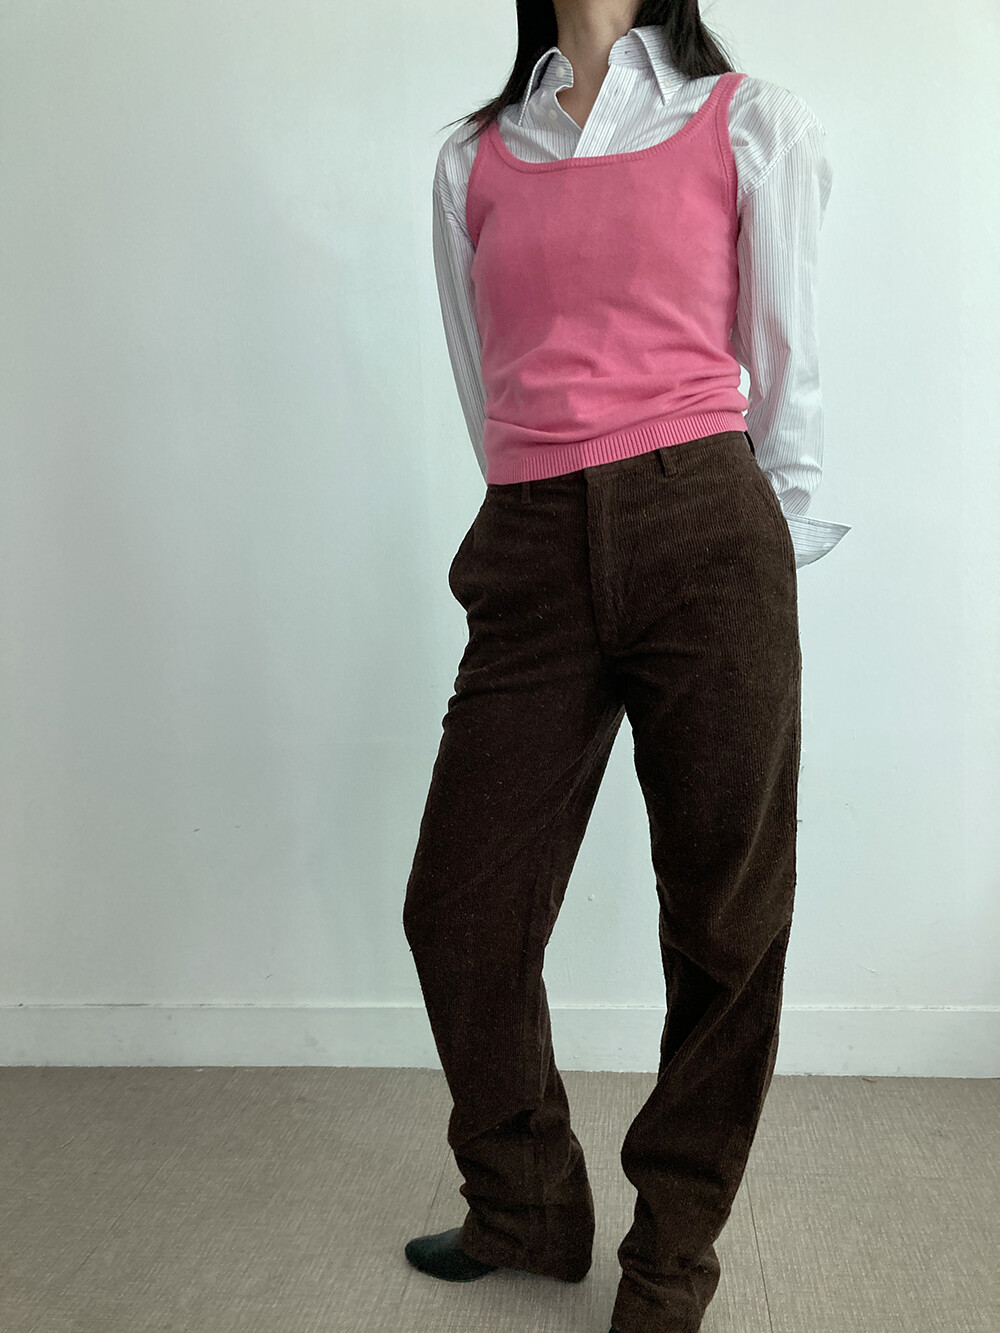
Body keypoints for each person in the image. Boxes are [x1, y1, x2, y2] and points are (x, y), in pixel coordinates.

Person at [402, 3, 851, 1332]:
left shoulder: (750, 122)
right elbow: (484, 378)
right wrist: (543, 507)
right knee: (460, 906)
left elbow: (790, 368)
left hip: (706, 519)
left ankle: (671, 1256)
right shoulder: (475, 157)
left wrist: (755, 548)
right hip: (534, 537)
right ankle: (528, 1204)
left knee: (723, 916)